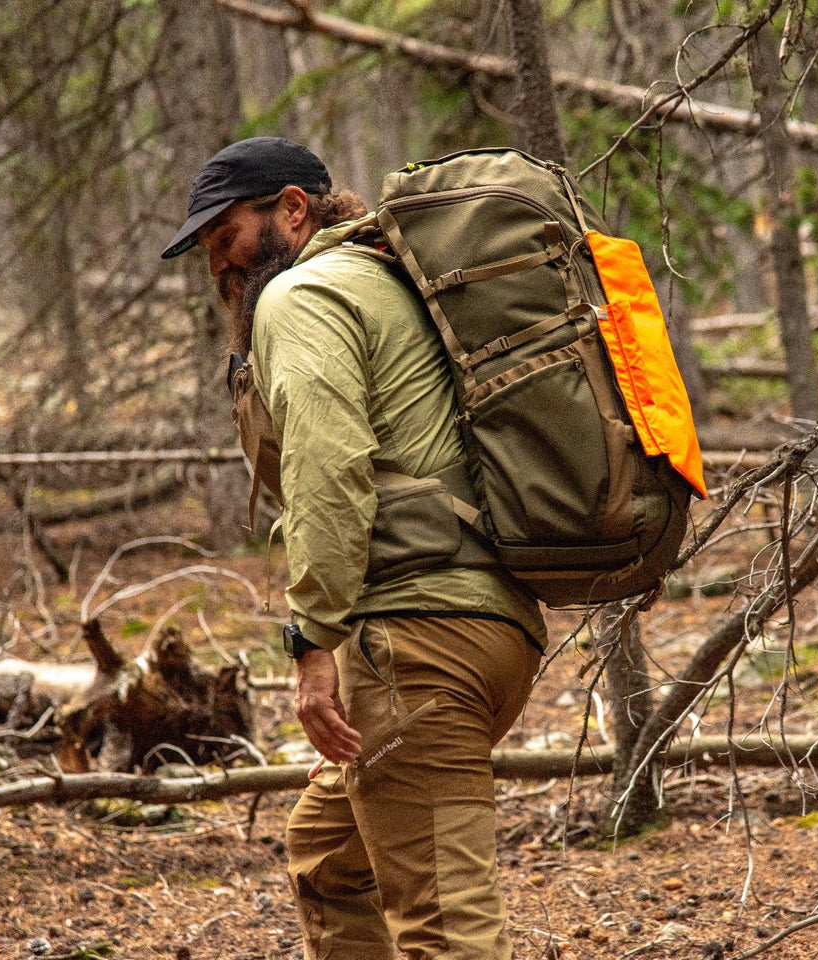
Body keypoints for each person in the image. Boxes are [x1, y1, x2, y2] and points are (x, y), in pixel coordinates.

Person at [162, 136, 548, 960]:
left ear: (292, 209)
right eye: (203, 249)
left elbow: (327, 468)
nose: (216, 266)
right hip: (485, 627)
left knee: (447, 930)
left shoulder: (303, 295)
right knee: (329, 859)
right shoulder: (385, 280)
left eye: (224, 237)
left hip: (414, 638)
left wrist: (314, 645)